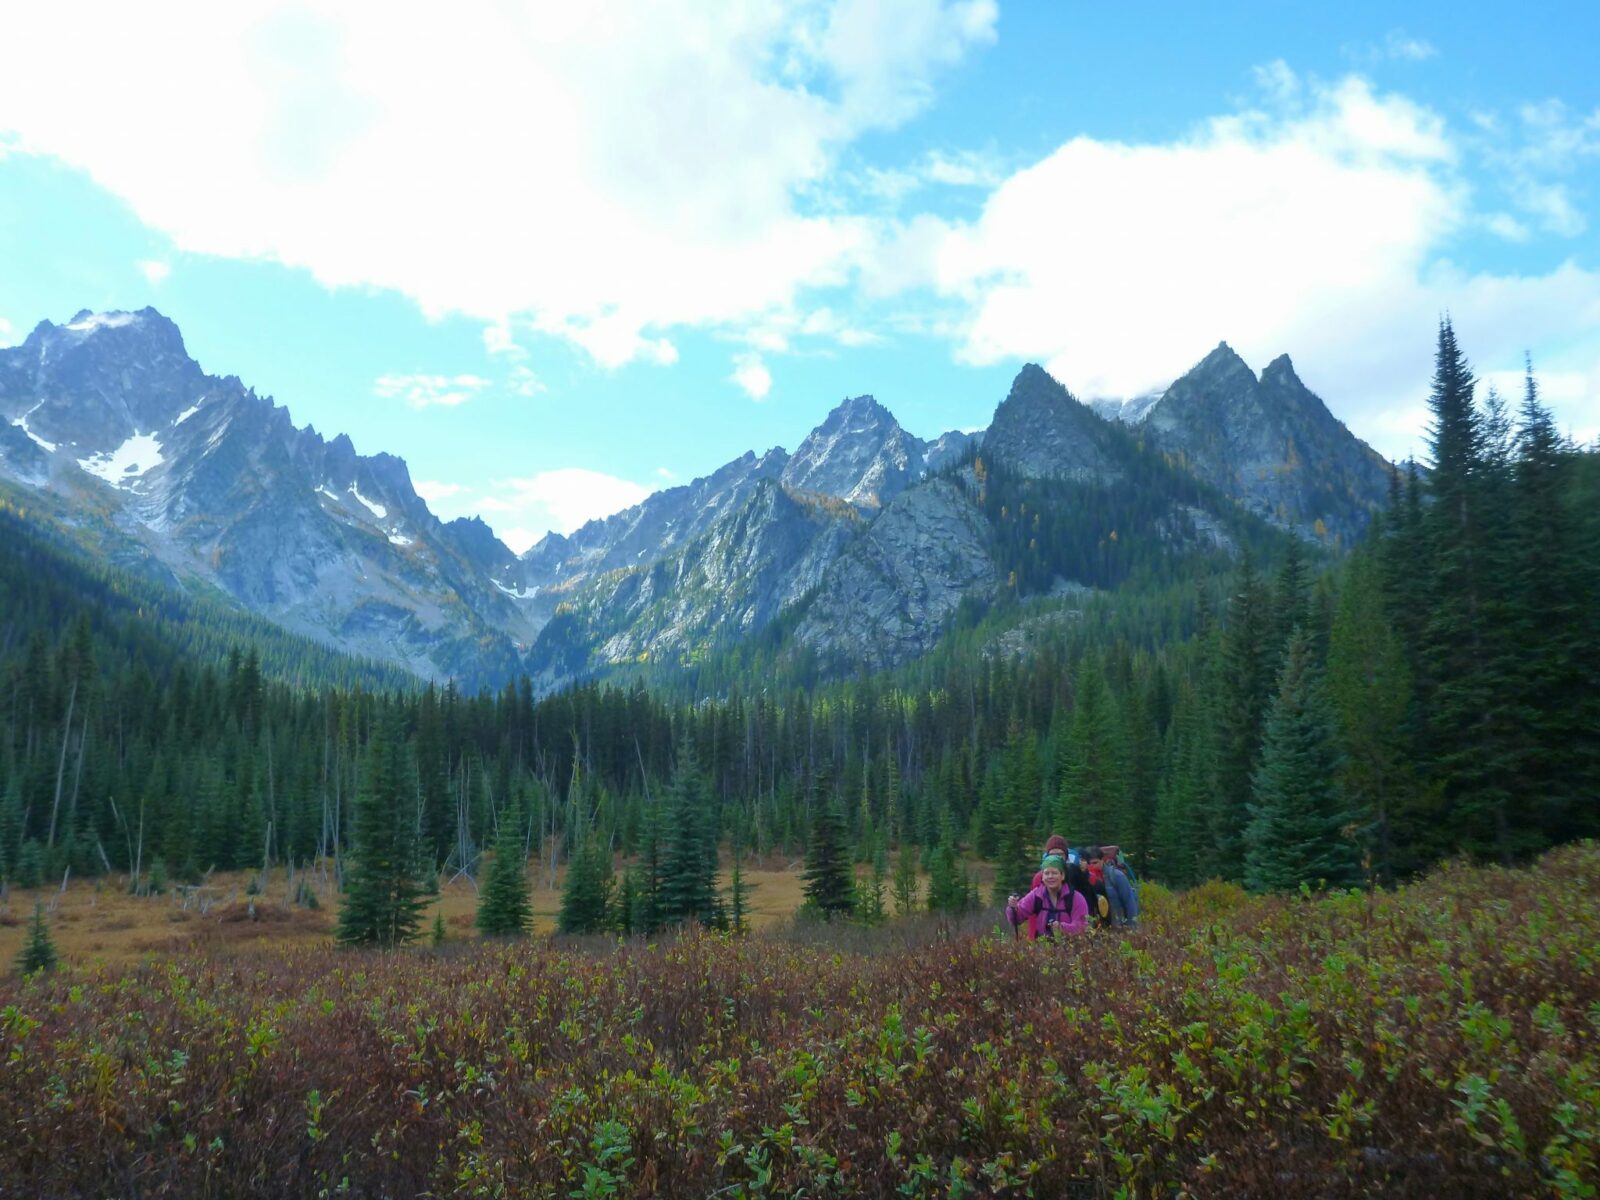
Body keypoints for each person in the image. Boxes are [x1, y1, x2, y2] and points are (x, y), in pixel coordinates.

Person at [1006, 853, 1088, 941]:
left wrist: (1061, 928)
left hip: (1070, 950)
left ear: (1063, 876)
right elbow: (1017, 919)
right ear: (1042, 877)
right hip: (1042, 950)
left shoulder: (1076, 898)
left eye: (1054, 873)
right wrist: (1013, 908)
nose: (1050, 876)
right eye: (1046, 873)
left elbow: (1082, 927)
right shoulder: (1036, 895)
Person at [1087, 845, 1140, 928]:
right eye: (1089, 863)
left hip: (1118, 927)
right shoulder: (1085, 879)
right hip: (1097, 929)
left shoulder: (1116, 876)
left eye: (1095, 863)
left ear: (1102, 860)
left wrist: (1132, 928)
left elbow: (1130, 903)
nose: (1091, 866)